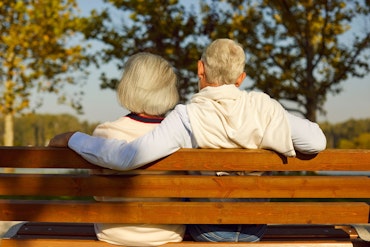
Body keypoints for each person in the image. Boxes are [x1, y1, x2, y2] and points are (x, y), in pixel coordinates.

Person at [49, 39, 327, 242]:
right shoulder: (265, 107)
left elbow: (127, 157)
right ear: (241, 78)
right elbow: (316, 142)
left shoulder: (187, 116)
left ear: (200, 69)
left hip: (207, 229)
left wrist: (75, 138)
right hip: (255, 228)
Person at [85, 52, 185, 246]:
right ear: (168, 90)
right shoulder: (179, 136)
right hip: (167, 234)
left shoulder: (105, 133)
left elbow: (98, 193)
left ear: (127, 86)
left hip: (114, 233)